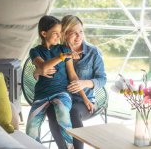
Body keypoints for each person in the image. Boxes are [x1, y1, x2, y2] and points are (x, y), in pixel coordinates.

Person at [36, 15, 107, 149]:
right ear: (64, 34)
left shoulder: (93, 52)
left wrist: (84, 83)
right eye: (73, 33)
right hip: (59, 97)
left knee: (73, 111)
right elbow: (41, 67)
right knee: (52, 111)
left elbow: (102, 79)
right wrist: (38, 71)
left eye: (80, 32)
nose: (78, 36)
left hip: (82, 102)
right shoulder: (57, 51)